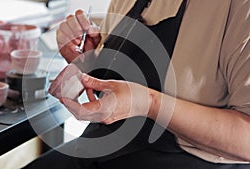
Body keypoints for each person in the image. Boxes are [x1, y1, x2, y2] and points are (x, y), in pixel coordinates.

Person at [23, 0, 250, 168]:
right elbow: (123, 76)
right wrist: (89, 59)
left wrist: (150, 104)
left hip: (189, 160)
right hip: (106, 147)